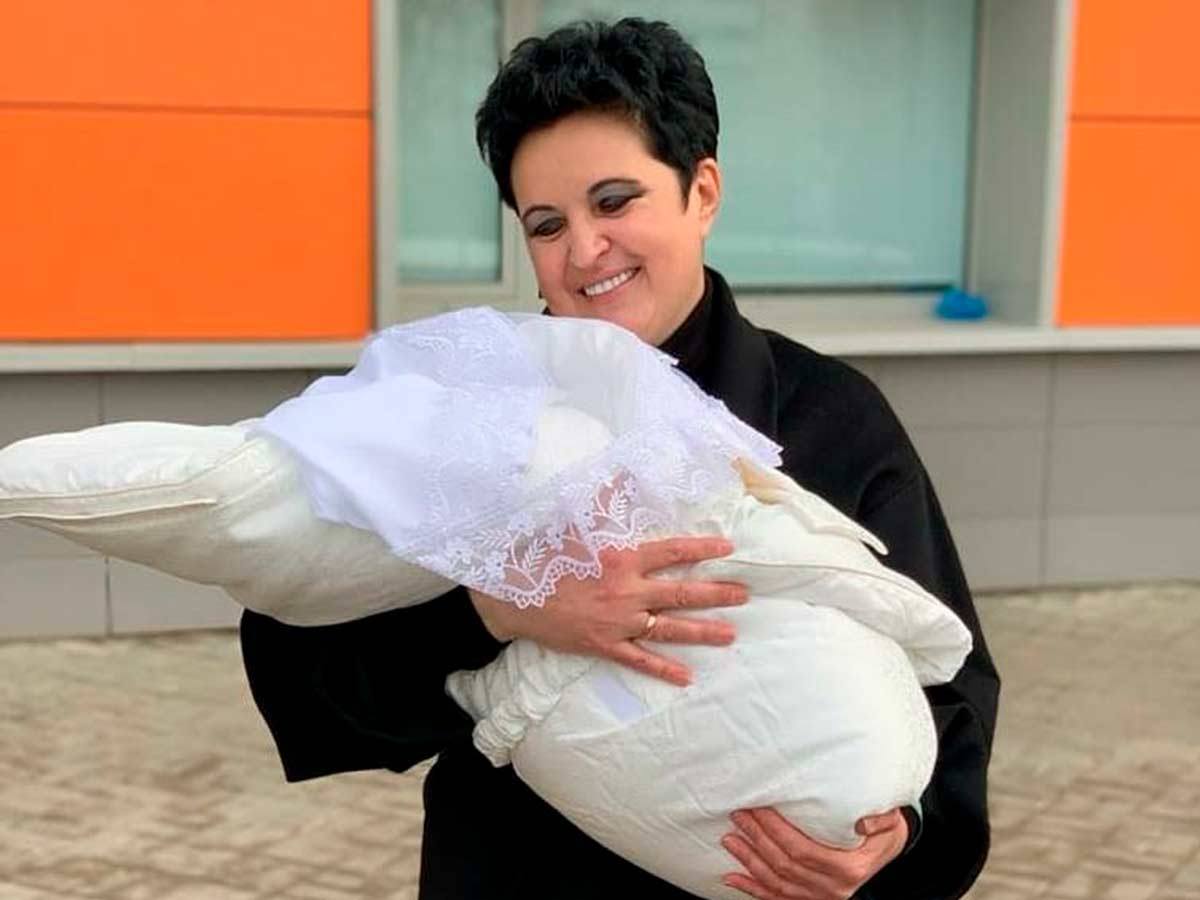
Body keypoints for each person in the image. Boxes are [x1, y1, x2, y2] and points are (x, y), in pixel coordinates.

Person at [239, 17, 1000, 900]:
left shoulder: (832, 416)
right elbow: (298, 657)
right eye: (546, 224)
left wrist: (899, 831)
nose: (583, 251)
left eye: (614, 202)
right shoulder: (458, 411)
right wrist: (499, 612)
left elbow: (952, 681)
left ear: (702, 192)